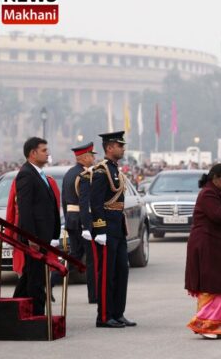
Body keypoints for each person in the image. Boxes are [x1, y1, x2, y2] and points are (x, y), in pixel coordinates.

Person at [185, 164, 221, 339]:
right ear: (215, 178)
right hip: (207, 246)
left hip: (216, 245)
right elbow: (220, 216)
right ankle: (207, 324)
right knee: (212, 286)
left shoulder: (216, 193)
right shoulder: (208, 194)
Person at [90, 131, 136, 328]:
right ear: (109, 148)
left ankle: (118, 312)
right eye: (120, 145)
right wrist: (100, 230)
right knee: (107, 273)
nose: (123, 148)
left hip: (118, 226)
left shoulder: (115, 170)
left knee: (121, 271)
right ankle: (104, 316)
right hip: (107, 228)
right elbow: (96, 203)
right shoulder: (101, 172)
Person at [12, 137, 61, 316]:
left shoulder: (38, 173)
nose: (47, 153)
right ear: (33, 153)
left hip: (43, 236)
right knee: (36, 279)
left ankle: (13, 310)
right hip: (34, 238)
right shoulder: (26, 174)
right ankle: (38, 316)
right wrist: (32, 238)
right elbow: (25, 210)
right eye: (44, 150)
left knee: (29, 276)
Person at [53, 142, 97, 303]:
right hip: (82, 221)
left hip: (71, 219)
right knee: (92, 260)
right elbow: (85, 204)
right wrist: (87, 226)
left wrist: (68, 219)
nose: (93, 159)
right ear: (84, 158)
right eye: (91, 156)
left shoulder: (69, 174)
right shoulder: (84, 176)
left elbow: (64, 201)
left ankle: (51, 281)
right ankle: (94, 295)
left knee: (75, 257)